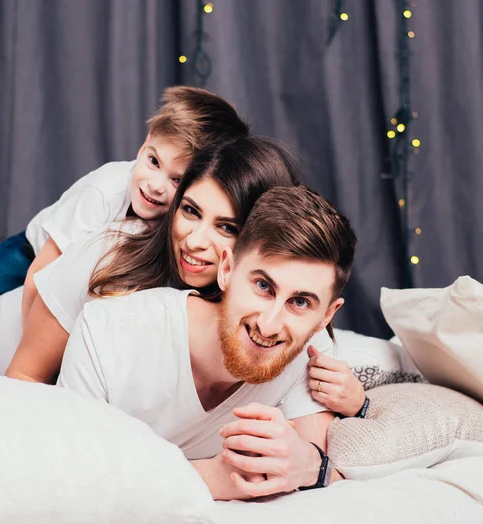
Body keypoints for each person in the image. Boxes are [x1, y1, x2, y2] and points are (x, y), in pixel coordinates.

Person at [56, 185, 363, 501]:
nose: (269, 325)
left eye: (299, 302)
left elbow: (320, 473)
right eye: (262, 285)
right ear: (227, 270)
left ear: (326, 316)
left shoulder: (311, 354)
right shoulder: (107, 330)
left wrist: (310, 465)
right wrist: (212, 478)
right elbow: (63, 472)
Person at [0, 136, 294, 379]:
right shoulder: (106, 255)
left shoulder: (271, 312)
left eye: (226, 227)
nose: (194, 242)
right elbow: (23, 378)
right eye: (191, 211)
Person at [0, 86, 249, 324]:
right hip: (32, 251)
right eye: (153, 161)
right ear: (143, 145)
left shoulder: (186, 220)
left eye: (176, 180)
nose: (156, 185)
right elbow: (40, 276)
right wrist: (31, 346)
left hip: (85, 268)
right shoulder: (104, 191)